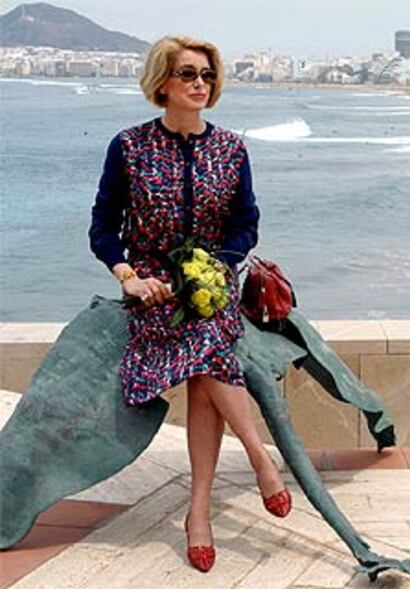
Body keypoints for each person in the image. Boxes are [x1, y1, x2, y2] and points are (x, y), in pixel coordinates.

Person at [88, 34, 292, 573]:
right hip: (155, 290)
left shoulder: (231, 149)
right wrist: (128, 276)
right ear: (162, 83)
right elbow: (104, 227)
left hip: (212, 283)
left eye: (206, 75)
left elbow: (245, 223)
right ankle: (258, 456)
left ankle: (198, 512)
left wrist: (216, 265)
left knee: (206, 361)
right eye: (188, 74)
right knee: (209, 348)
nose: (200, 84)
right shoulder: (128, 147)